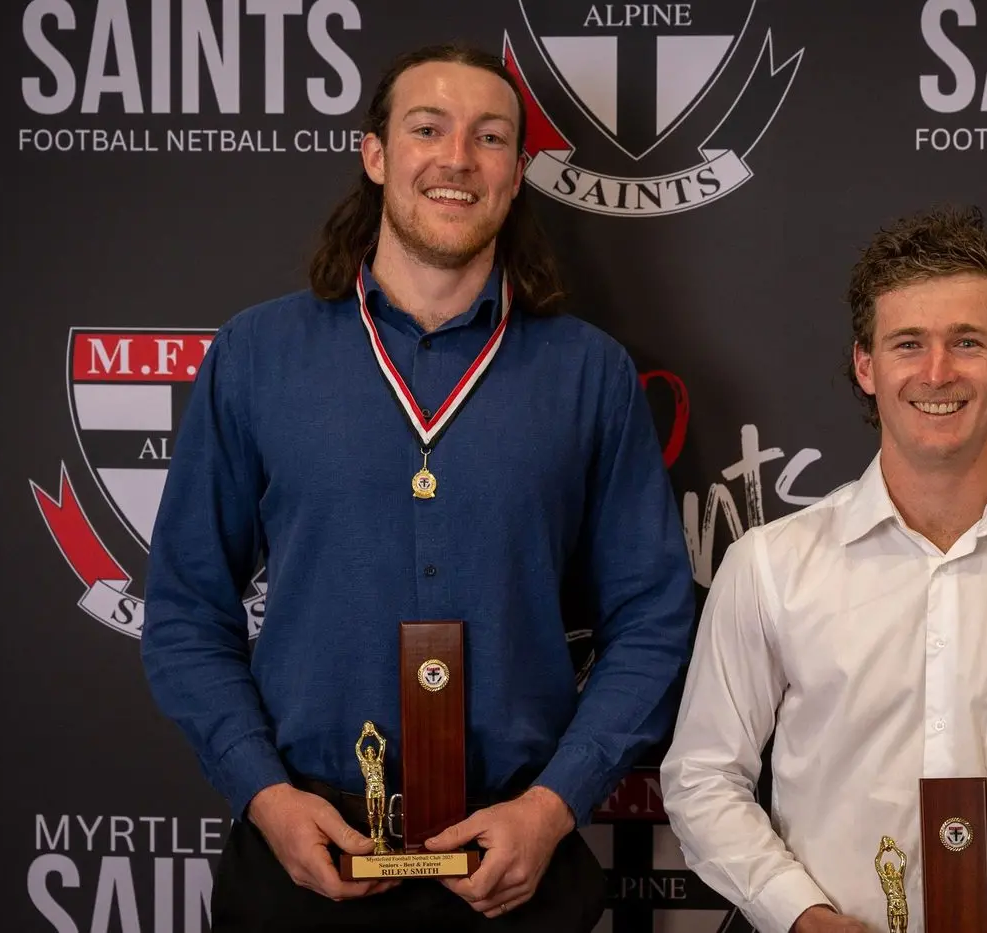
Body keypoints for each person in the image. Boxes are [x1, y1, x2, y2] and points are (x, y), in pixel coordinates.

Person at [141, 42, 695, 933]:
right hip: (303, 852)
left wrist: (555, 805)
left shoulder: (588, 373)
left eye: (488, 138)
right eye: (427, 128)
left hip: (515, 855)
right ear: (375, 155)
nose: (456, 159)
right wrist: (265, 794)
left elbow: (654, 619)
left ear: (516, 174)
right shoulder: (256, 356)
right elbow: (182, 609)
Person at [659, 206, 987, 933]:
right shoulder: (770, 567)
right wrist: (800, 915)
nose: (936, 372)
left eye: (966, 342)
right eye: (906, 343)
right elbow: (701, 778)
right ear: (865, 364)